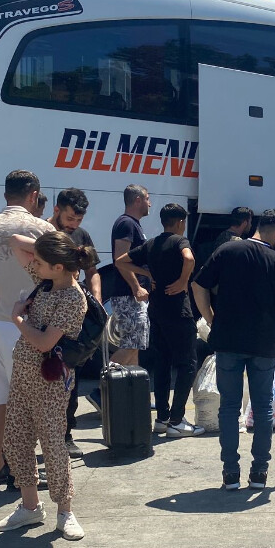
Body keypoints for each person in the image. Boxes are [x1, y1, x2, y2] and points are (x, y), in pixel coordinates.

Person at [193, 209, 275, 491]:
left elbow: (198, 285)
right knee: (263, 407)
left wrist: (210, 317)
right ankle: (259, 474)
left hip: (227, 342)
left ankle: (230, 473)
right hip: (263, 344)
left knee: (229, 408)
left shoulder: (227, 250)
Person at [0, 232, 93, 540]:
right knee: (15, 440)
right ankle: (30, 506)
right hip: (23, 374)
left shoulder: (72, 298)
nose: (33, 263)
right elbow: (14, 240)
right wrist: (52, 244)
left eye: (39, 261)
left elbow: (43, 342)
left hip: (49, 380)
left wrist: (17, 318)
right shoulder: (47, 279)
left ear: (58, 267)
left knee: (52, 445)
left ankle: (66, 510)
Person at [0, 170, 54, 488]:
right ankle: (23, 474)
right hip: (25, 328)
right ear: (33, 195)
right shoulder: (42, 229)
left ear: (6, 194)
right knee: (30, 405)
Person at [116, 203, 203, 438]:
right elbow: (189, 259)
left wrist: (149, 274)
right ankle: (177, 420)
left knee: (163, 364)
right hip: (179, 311)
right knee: (187, 365)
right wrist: (183, 281)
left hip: (157, 310)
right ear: (181, 223)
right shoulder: (179, 241)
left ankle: (162, 419)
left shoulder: (152, 243)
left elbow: (121, 261)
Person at [48, 188, 101, 458]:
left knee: (71, 373)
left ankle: (66, 433)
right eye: (70, 218)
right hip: (46, 310)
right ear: (57, 210)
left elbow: (93, 271)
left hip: (75, 311)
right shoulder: (43, 233)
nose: (74, 225)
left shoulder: (81, 236)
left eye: (78, 220)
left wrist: (97, 300)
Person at [102, 184, 152, 369]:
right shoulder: (126, 224)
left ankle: (132, 395)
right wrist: (136, 287)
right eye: (147, 198)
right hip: (128, 296)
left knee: (135, 345)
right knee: (132, 344)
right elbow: (119, 259)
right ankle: (102, 388)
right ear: (137, 200)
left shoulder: (132, 224)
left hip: (132, 296)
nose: (150, 203)